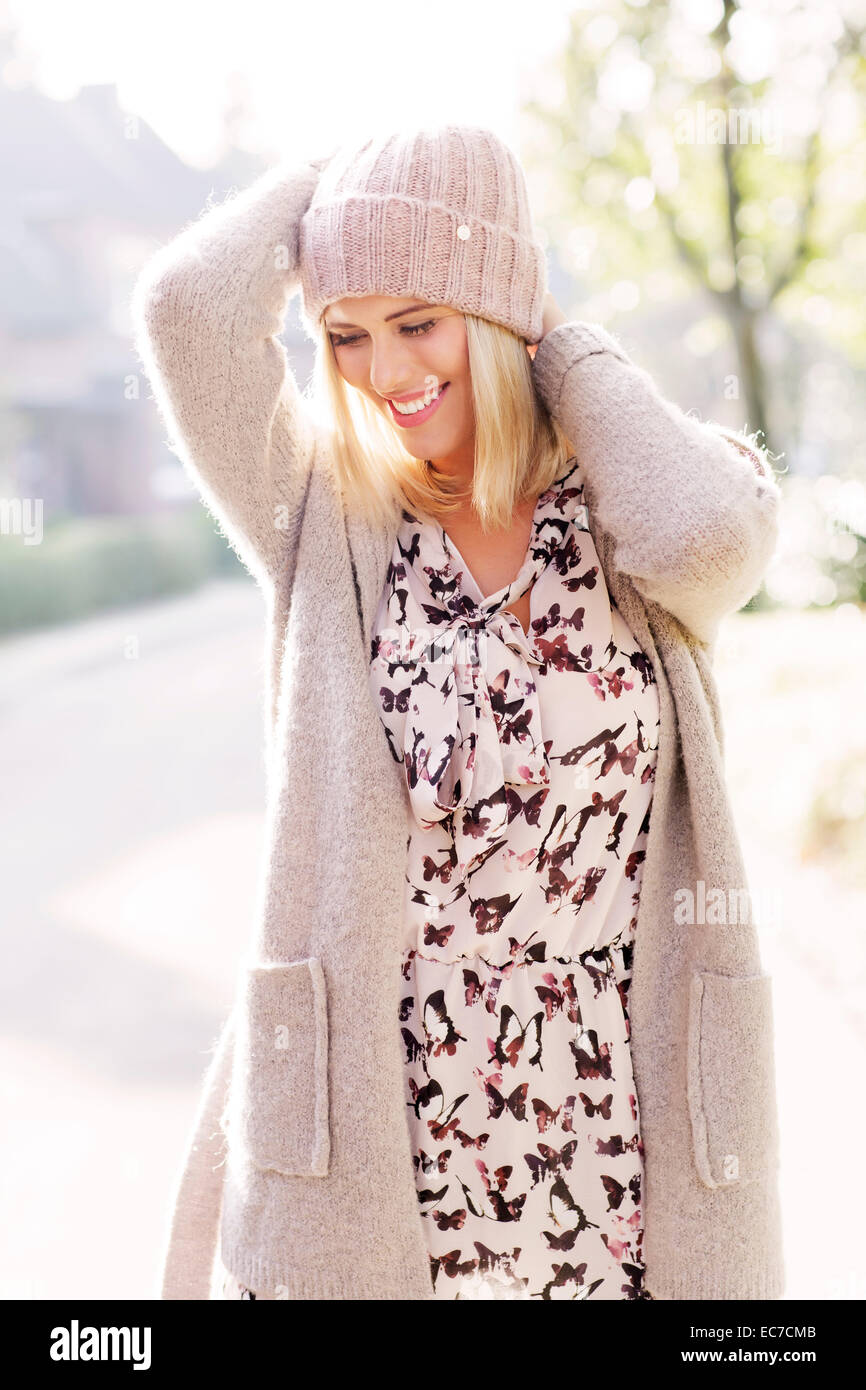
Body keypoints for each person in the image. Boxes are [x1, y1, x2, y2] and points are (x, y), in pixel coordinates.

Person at [131, 123, 785, 1301]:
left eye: (417, 320)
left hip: (613, 1145)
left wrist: (560, 348)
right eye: (346, 334)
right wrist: (320, 187)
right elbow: (185, 309)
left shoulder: (624, 503)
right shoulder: (323, 516)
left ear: (497, 313)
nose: (384, 371)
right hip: (389, 1148)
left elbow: (712, 540)